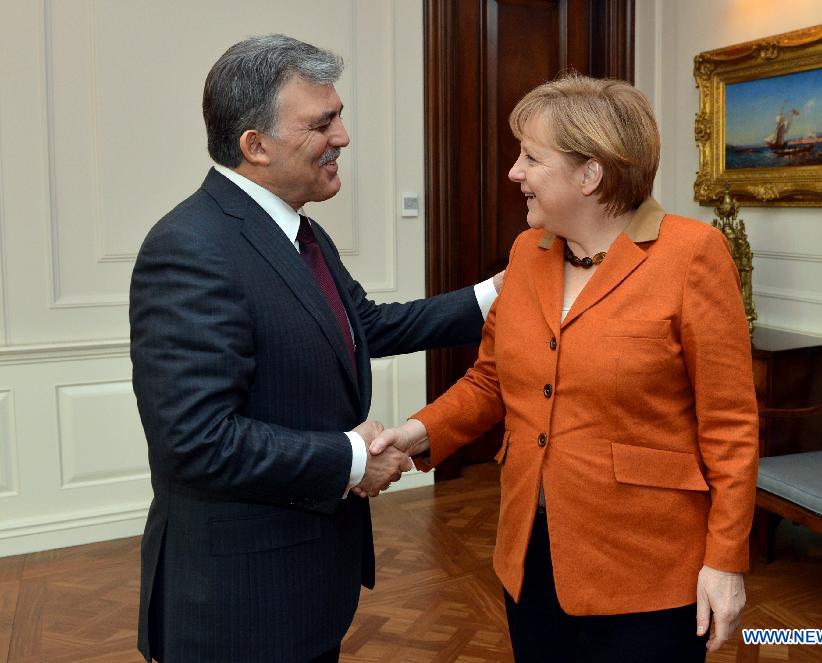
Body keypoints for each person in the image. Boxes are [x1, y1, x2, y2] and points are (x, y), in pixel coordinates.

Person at [129, 35, 499, 663]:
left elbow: (367, 326)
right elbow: (197, 440)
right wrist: (353, 457)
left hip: (300, 583)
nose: (344, 136)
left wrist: (498, 294)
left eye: (339, 116)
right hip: (238, 604)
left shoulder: (297, 228)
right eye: (323, 123)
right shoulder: (191, 248)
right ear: (256, 145)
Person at [368, 75, 759, 662]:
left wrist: (724, 560)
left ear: (590, 174)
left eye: (531, 157)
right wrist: (416, 432)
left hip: (647, 566)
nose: (514, 173)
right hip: (531, 552)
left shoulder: (691, 254)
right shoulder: (529, 253)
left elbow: (730, 425)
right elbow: (491, 380)